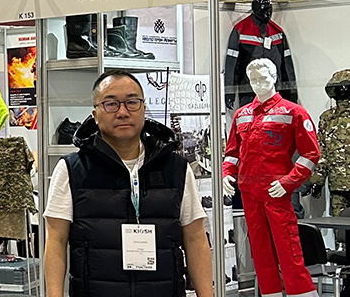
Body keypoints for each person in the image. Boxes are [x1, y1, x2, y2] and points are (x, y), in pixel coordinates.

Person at [44, 70, 212, 297]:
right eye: (111, 104)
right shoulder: (72, 169)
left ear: (143, 108)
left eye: (132, 102)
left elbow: (195, 237)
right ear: (95, 114)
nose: (123, 112)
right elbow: (56, 240)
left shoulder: (176, 169)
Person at [222, 58, 320, 297]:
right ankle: (269, 294)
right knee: (260, 252)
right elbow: (232, 152)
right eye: (253, 79)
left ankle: (303, 293)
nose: (258, 84)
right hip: (249, 193)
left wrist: (289, 181)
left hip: (277, 192)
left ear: (274, 77)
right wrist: (227, 174)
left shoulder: (293, 112)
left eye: (263, 78)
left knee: (288, 249)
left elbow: (311, 154)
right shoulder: (242, 114)